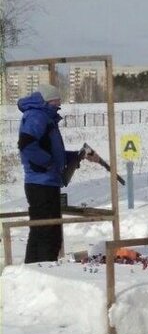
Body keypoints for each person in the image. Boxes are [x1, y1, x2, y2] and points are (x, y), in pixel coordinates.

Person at [17, 83, 99, 263]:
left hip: (45, 181)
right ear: (47, 101)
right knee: (48, 232)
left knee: (43, 230)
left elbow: (53, 153)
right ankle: (45, 270)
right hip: (41, 182)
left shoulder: (42, 116)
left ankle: (34, 270)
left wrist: (77, 156)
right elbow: (27, 145)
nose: (59, 106)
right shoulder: (37, 116)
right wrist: (47, 164)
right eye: (57, 103)